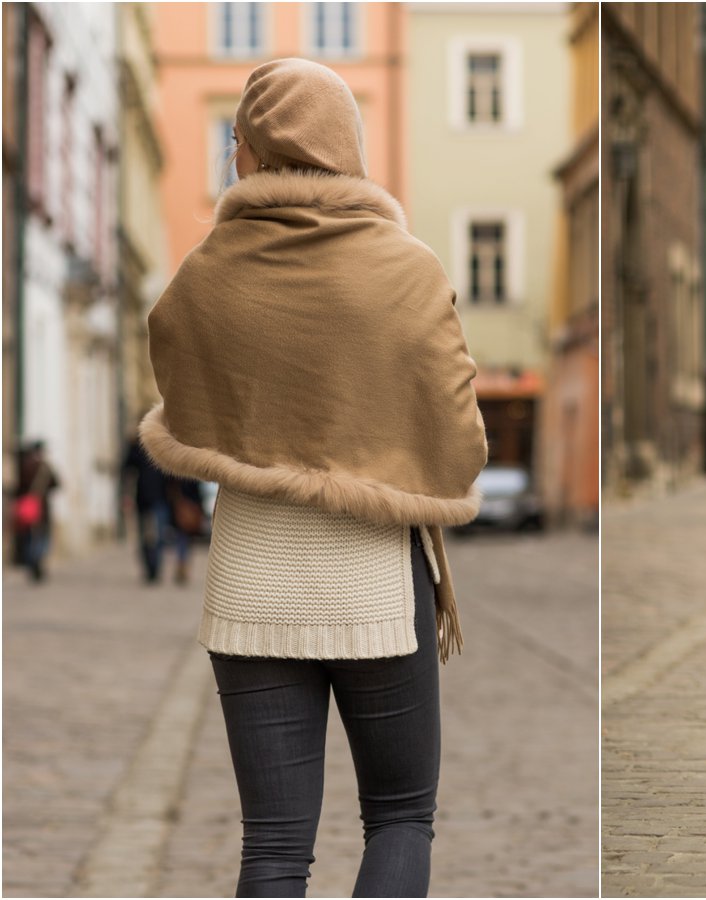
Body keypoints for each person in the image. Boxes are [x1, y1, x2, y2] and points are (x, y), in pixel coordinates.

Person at [139, 59, 488, 896]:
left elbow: (179, 393)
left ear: (259, 153)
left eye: (237, 144)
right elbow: (463, 440)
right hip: (374, 579)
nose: (233, 159)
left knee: (273, 846)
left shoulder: (207, 273)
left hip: (254, 578)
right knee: (401, 814)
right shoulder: (407, 270)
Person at [122, 433, 203, 584]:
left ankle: (156, 567)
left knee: (159, 535)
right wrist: (126, 494)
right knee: (145, 536)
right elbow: (127, 469)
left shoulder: (166, 446)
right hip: (144, 499)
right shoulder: (138, 445)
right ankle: (151, 567)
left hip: (162, 499)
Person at [14, 441, 60, 582]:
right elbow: (56, 484)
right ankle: (37, 561)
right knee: (41, 537)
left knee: (29, 536)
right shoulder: (45, 467)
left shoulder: (24, 466)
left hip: (27, 507)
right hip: (42, 507)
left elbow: (18, 487)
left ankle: (31, 562)